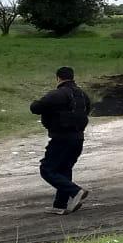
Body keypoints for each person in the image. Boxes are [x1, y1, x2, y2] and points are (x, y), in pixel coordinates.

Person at [30, 66, 92, 215]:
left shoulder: (58, 94)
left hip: (61, 138)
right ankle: (60, 205)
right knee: (64, 169)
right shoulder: (83, 95)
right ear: (73, 77)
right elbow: (87, 111)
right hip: (78, 138)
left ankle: (75, 191)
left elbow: (36, 108)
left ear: (58, 78)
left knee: (47, 169)